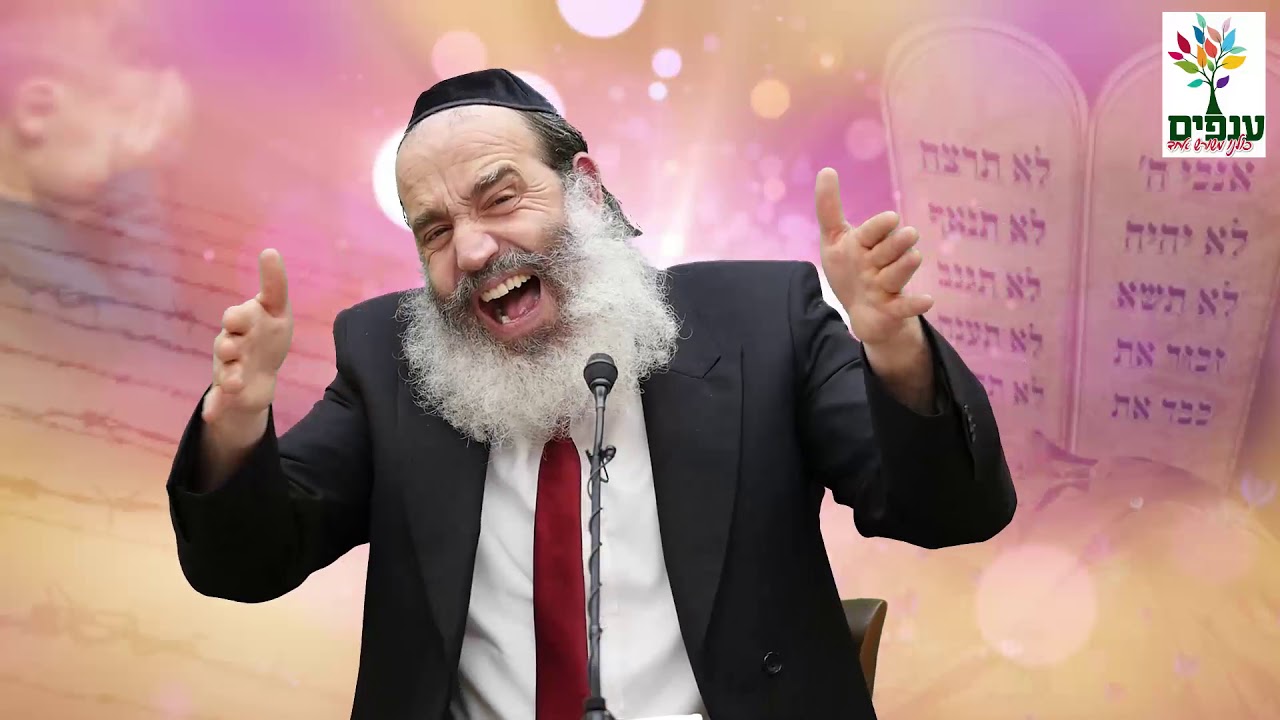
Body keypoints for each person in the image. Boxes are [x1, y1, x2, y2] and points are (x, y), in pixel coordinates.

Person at [165, 69, 1016, 720]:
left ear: (586, 188)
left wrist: (896, 352)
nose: (473, 251)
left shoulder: (763, 319)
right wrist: (235, 425)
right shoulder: (388, 360)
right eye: (435, 231)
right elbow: (247, 565)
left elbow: (950, 512)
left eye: (501, 198)